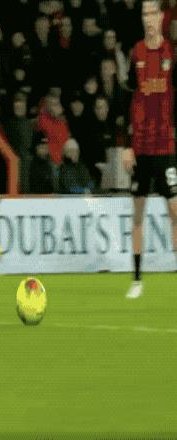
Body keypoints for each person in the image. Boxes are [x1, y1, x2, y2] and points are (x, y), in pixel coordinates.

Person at [123, 0, 177, 299]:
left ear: (161, 16)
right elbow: (127, 100)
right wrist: (125, 146)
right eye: (144, 13)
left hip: (165, 146)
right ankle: (136, 279)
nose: (148, 18)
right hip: (141, 148)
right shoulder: (137, 53)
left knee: (175, 210)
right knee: (138, 213)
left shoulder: (171, 53)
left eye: (153, 13)